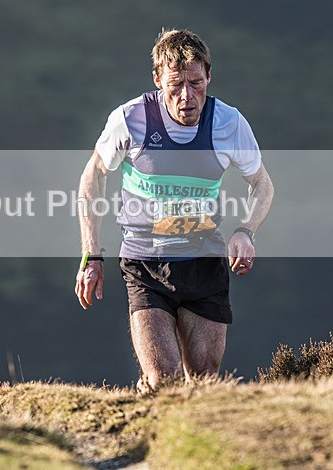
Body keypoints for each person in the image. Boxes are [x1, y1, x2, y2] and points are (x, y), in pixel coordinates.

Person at [75, 29, 274, 392]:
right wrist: (92, 254)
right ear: (157, 79)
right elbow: (93, 175)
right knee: (162, 380)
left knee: (203, 382)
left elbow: (262, 184)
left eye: (196, 83)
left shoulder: (228, 123)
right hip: (145, 264)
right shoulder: (131, 118)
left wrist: (246, 230)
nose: (187, 96)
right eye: (176, 84)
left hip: (204, 263)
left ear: (209, 77)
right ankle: (144, 428)